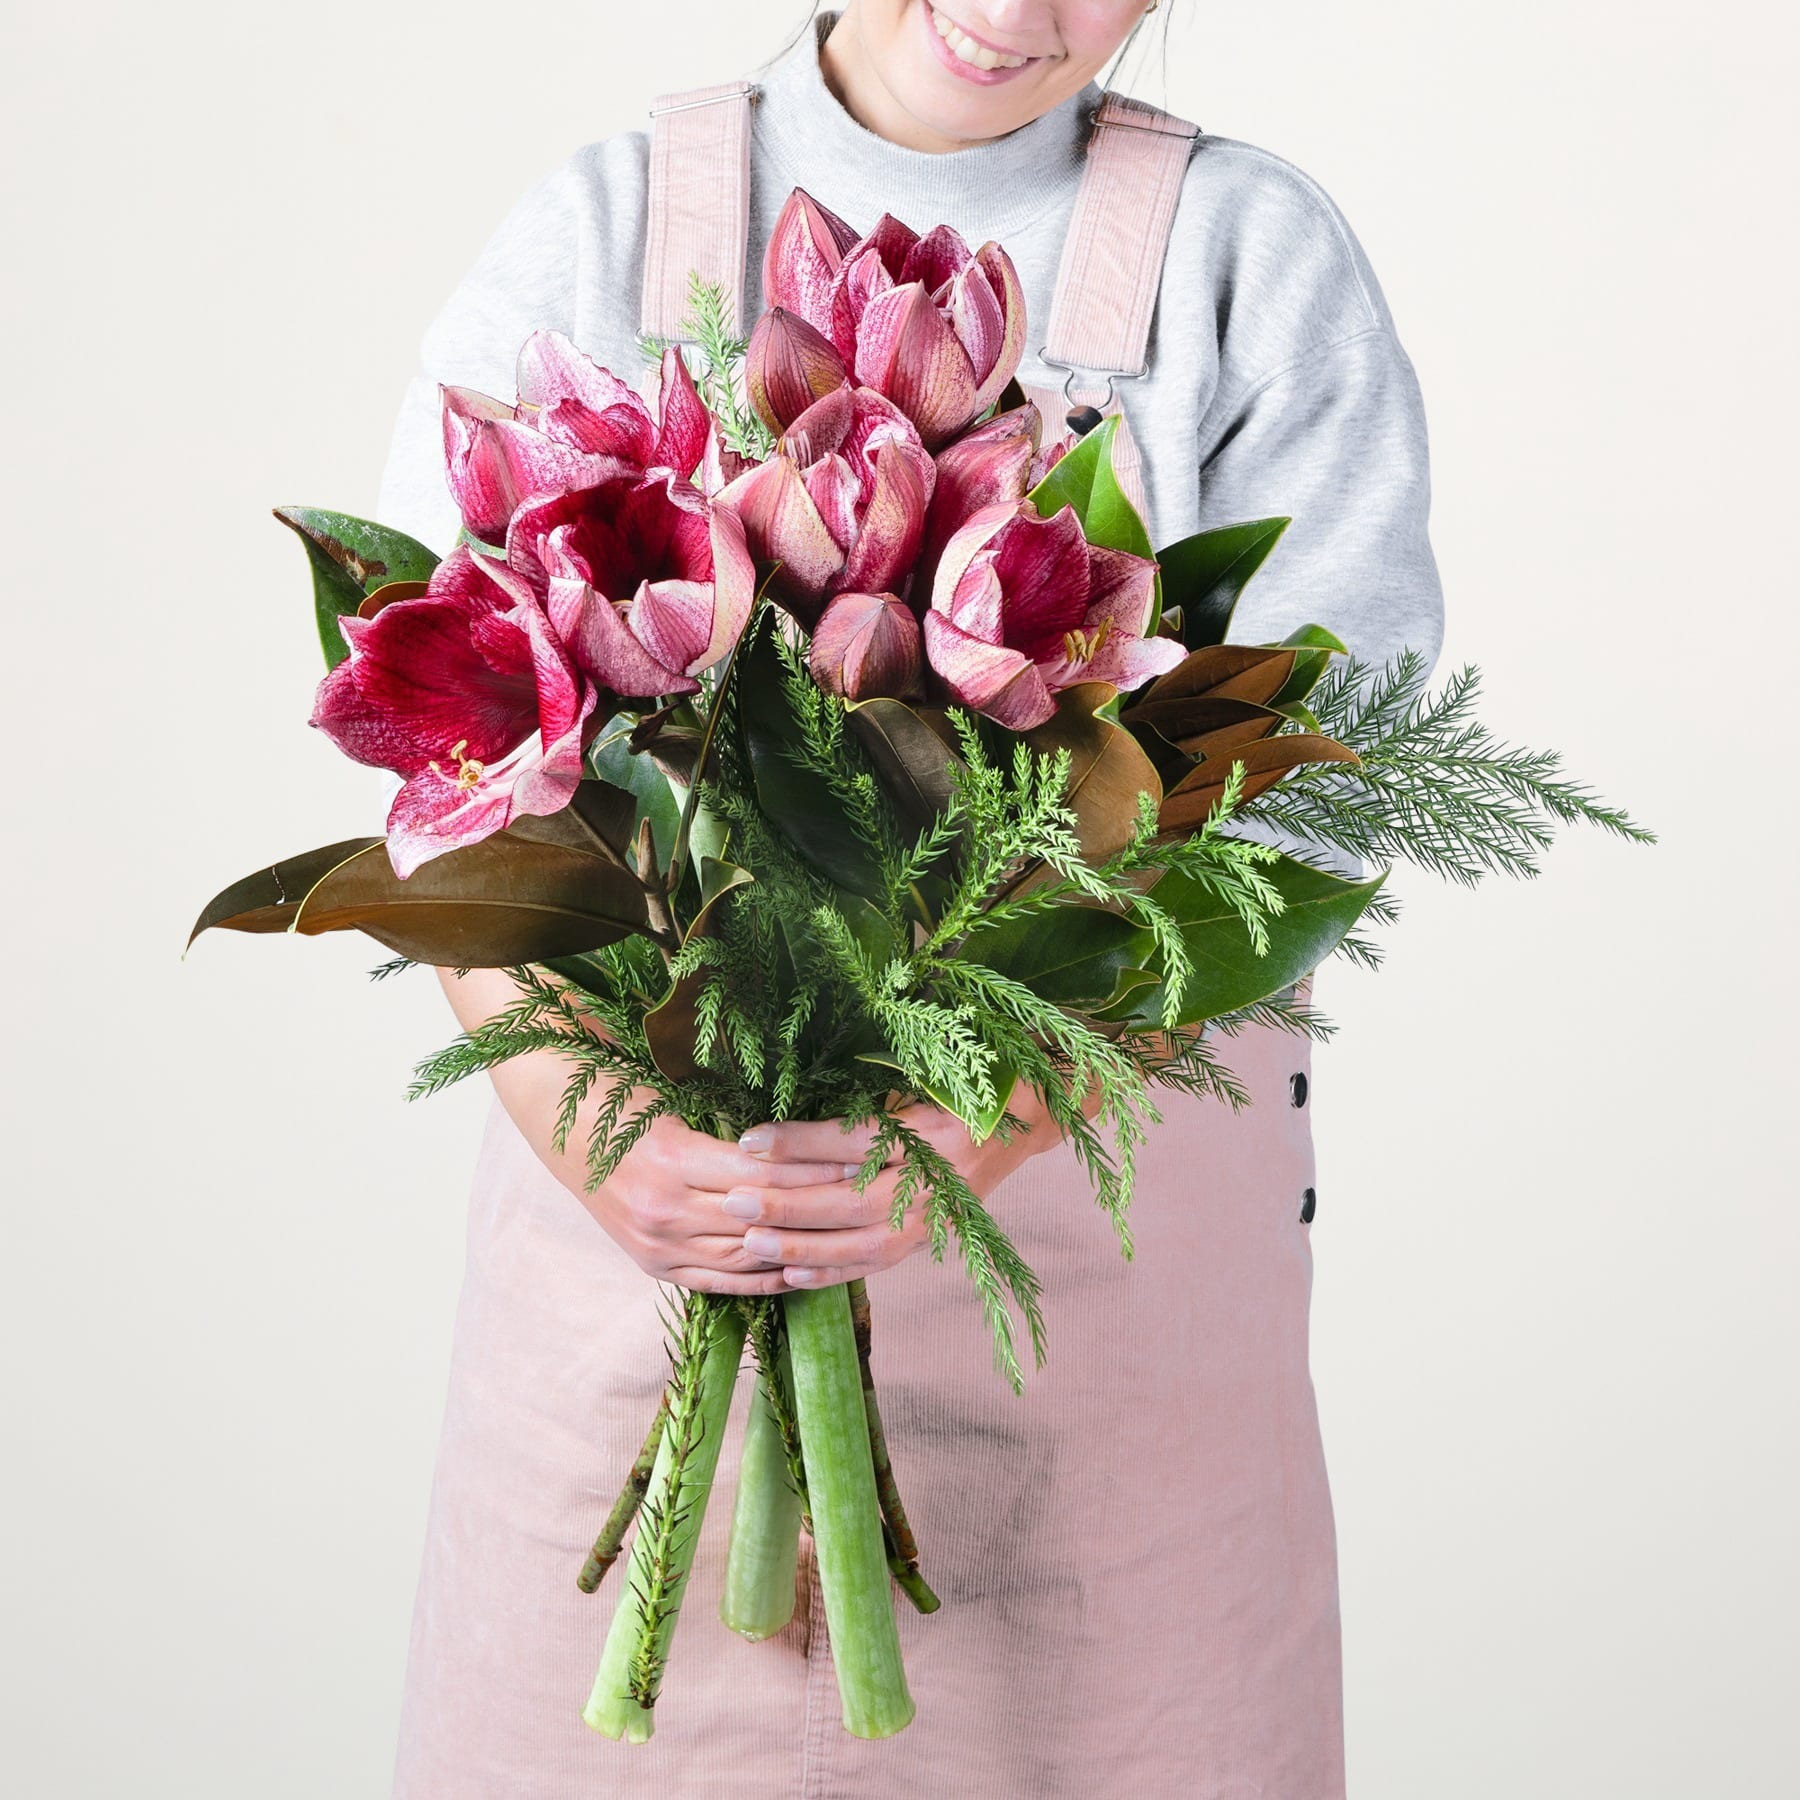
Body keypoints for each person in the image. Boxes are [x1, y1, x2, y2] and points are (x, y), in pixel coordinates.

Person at [375, 5, 1444, 1795]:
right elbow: (436, 795)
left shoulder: (1252, 262)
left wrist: (997, 1123)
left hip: (1108, 1393)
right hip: (646, 1307)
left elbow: (1327, 790)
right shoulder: (605, 228)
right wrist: (598, 1128)